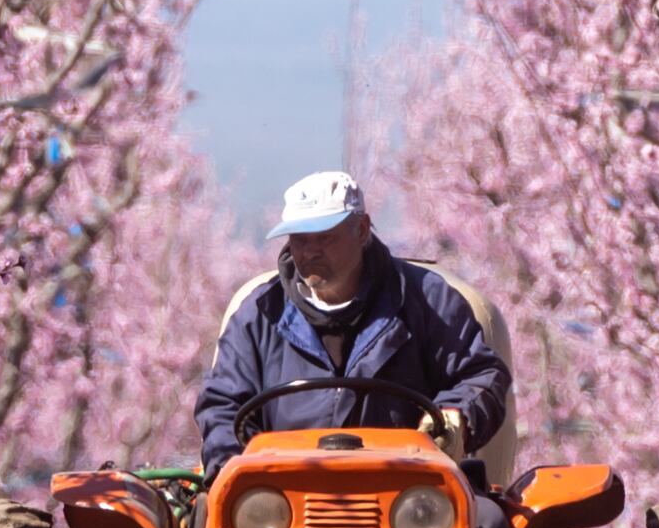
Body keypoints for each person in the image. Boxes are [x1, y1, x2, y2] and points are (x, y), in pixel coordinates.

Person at [195, 170, 509, 467]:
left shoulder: (427, 300)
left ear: (361, 230)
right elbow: (223, 404)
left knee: (489, 523)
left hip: (409, 494)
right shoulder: (260, 313)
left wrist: (454, 418)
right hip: (283, 499)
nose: (310, 252)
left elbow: (478, 375)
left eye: (325, 238)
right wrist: (236, 472)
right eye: (300, 239)